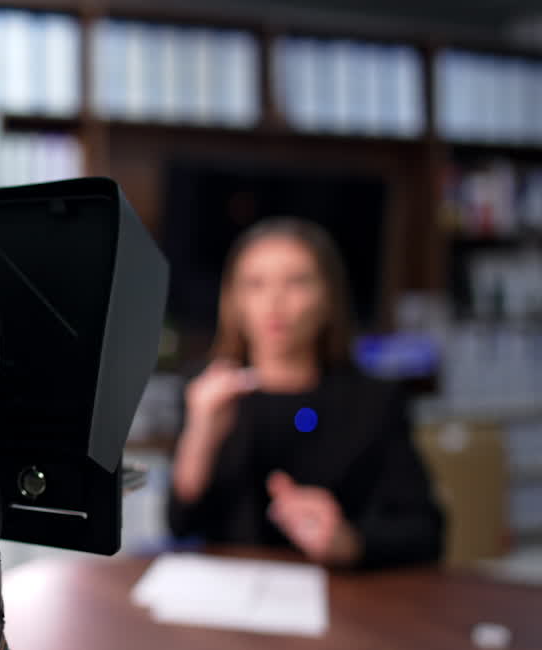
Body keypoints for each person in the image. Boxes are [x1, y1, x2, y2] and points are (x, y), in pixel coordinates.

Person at [168, 218, 444, 568]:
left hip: (345, 598)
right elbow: (180, 524)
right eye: (255, 284)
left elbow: (426, 533)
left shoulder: (374, 400)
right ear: (234, 300)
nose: (275, 302)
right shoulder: (205, 392)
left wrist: (349, 541)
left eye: (297, 282)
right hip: (227, 596)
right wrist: (202, 434)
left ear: (329, 297)